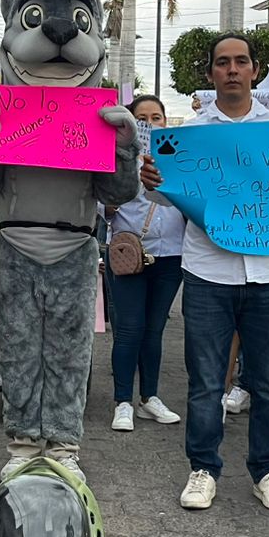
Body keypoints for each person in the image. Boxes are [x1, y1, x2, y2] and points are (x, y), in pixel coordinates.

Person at [141, 34, 269, 515]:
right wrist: (150, 183)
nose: (232, 69)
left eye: (240, 62)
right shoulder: (189, 136)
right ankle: (203, 468)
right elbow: (166, 200)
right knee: (206, 381)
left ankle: (268, 470)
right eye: (222, 63)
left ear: (254, 70)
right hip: (207, 273)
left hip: (267, 275)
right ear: (210, 75)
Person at [106, 95, 186, 433]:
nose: (151, 123)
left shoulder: (184, 159)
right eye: (143, 117)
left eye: (157, 117)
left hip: (170, 256)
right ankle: (122, 401)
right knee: (129, 330)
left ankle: (149, 397)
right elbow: (103, 207)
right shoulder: (119, 160)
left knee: (154, 330)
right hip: (128, 255)